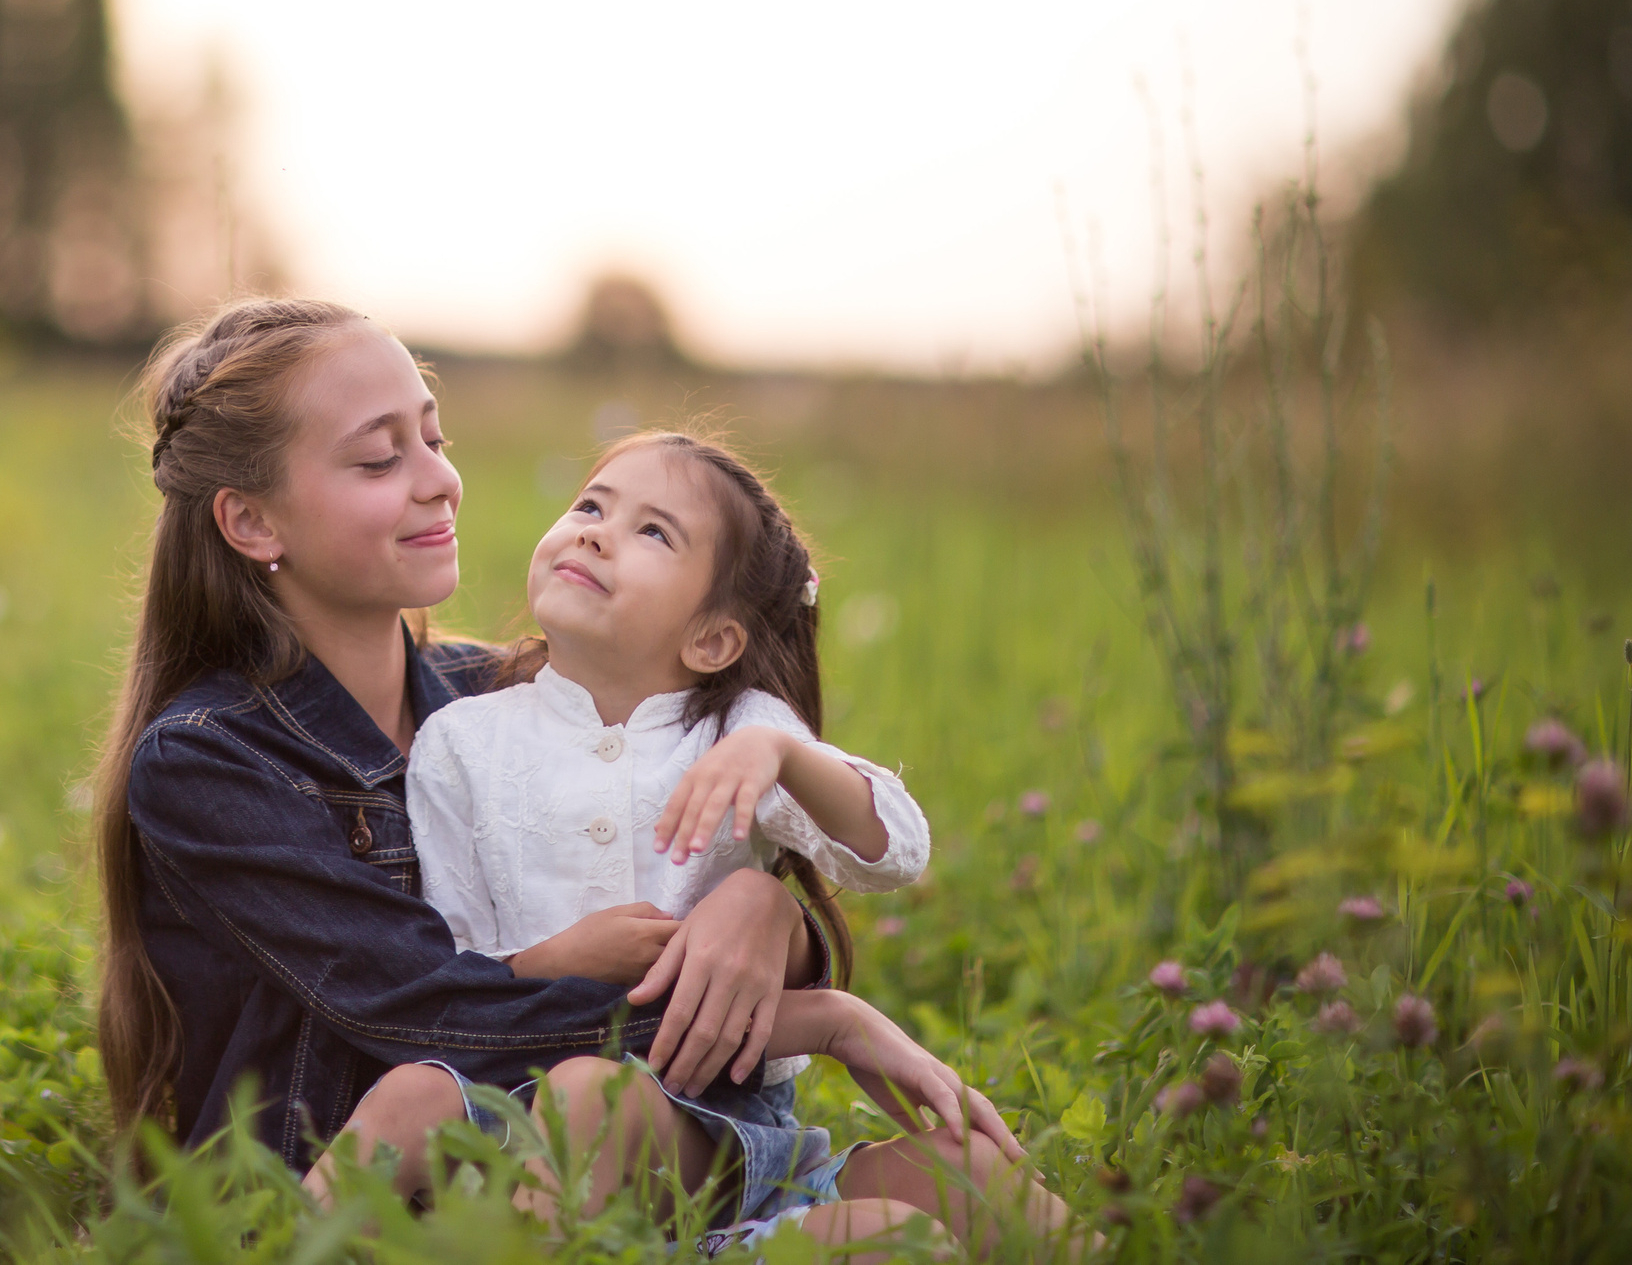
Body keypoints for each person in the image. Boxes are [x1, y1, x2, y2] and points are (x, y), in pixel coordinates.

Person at [93, 299, 819, 1178]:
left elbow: (685, 861)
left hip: (544, 1162)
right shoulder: (209, 758)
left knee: (949, 1178)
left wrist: (771, 913)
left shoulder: (502, 697)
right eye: (378, 458)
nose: (439, 479)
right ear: (252, 521)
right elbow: (422, 1006)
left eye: (433, 439)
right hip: (328, 1210)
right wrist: (815, 1018)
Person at [391, 431, 1082, 1255]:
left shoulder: (736, 728)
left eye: (654, 532)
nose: (595, 531)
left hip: (738, 1134)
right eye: (590, 504)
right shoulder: (463, 742)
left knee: (971, 1171)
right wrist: (560, 955)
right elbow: (455, 973)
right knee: (591, 1097)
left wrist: (786, 753)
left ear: (712, 640)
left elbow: (893, 849)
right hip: (547, 1114)